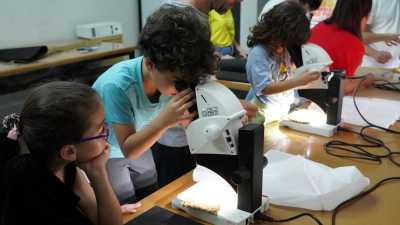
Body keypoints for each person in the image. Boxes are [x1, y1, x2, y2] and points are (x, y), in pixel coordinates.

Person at [92, 5, 217, 203]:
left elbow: (189, 127)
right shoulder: (116, 86)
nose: (181, 87)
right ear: (150, 64)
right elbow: (129, 150)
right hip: (107, 152)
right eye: (177, 80)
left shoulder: (169, 75)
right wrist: (164, 122)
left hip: (141, 138)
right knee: (126, 201)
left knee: (151, 192)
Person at [0, 81, 122, 225]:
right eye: (101, 129)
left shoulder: (62, 164)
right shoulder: (35, 196)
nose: (106, 133)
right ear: (69, 151)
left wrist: (97, 172)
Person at [245, 1, 320, 124]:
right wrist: (298, 81)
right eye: (287, 41)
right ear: (279, 33)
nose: (286, 47)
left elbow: (284, 81)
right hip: (262, 114)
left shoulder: (283, 50)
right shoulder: (259, 54)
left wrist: (304, 83)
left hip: (280, 111)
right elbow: (264, 88)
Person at [309, 0, 375, 95]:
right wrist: (364, 80)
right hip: (323, 99)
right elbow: (342, 88)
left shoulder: (318, 27)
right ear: (364, 15)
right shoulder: (354, 44)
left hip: (303, 91)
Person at [362, 0, 400, 68]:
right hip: (369, 66)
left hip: (395, 65)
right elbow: (356, 36)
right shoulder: (373, 2)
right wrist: (374, 53)